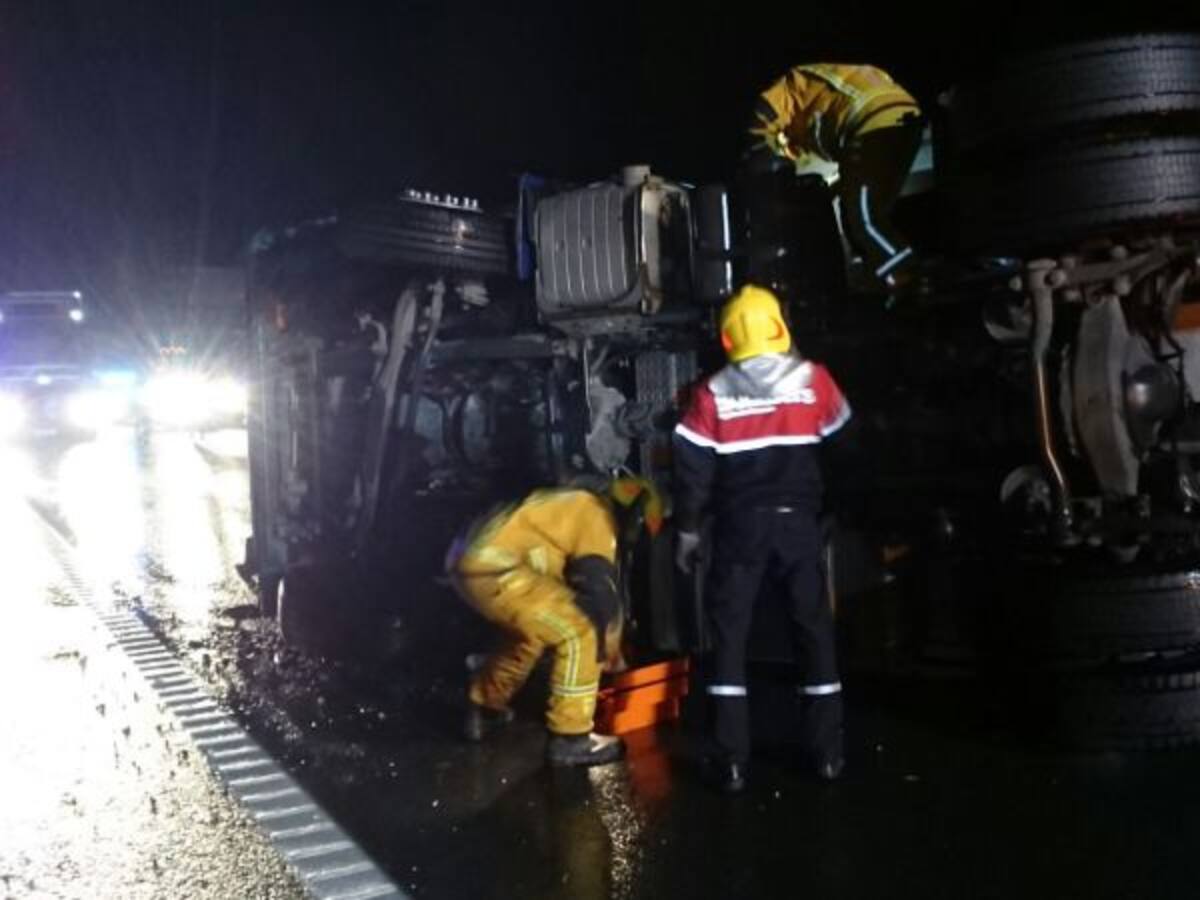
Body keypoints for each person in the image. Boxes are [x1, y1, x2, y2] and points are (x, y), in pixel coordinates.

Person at [673, 283, 851, 793]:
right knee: (813, 634)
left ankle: (731, 762)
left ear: (728, 337)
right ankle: (828, 755)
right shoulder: (815, 380)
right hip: (799, 525)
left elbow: (693, 473)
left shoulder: (713, 393)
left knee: (729, 639)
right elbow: (846, 452)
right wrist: (838, 513)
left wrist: (687, 532)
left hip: (739, 531)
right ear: (779, 325)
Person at [446, 477, 663, 767]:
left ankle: (485, 705)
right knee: (580, 629)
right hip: (499, 567)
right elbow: (600, 596)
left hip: (468, 565)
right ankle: (571, 738)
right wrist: (612, 654)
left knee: (532, 634)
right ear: (634, 516)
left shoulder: (570, 502)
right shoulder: (597, 515)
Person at [748, 63, 923, 290]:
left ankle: (906, 275)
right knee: (863, 216)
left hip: (872, 124)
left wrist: (761, 160)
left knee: (865, 220)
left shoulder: (787, 91)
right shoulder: (818, 99)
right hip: (903, 119)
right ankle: (884, 282)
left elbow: (758, 125)